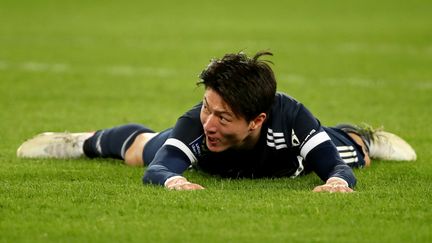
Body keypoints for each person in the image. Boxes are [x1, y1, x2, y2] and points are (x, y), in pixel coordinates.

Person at [16, 51, 417, 193]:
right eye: (208, 107)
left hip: (286, 164)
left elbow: (336, 166)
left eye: (223, 116)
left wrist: (335, 182)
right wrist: (174, 181)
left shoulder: (292, 118)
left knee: (355, 153)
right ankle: (80, 141)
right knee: (141, 150)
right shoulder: (196, 124)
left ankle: (367, 135)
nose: (209, 121)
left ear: (258, 119)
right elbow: (158, 169)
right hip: (209, 163)